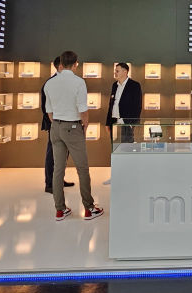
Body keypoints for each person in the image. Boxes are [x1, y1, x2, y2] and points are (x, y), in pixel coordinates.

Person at [42, 50, 103, 222]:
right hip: (73, 126)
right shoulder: (78, 82)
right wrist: (84, 126)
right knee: (82, 169)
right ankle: (89, 208)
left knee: (58, 169)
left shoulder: (50, 83)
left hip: (56, 127)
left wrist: (57, 124)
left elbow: (49, 111)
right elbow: (83, 109)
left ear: (61, 63)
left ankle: (60, 210)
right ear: (76, 64)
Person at [41, 56, 73, 194]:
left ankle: (58, 180)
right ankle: (50, 184)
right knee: (53, 154)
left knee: (62, 154)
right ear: (60, 67)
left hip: (66, 123)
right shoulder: (51, 83)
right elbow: (46, 107)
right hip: (55, 124)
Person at [106, 62, 142, 145]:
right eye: (115, 71)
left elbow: (137, 106)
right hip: (114, 122)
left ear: (125, 72)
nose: (115, 73)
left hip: (126, 122)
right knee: (114, 147)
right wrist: (108, 123)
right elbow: (111, 105)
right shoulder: (114, 85)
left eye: (117, 71)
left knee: (126, 146)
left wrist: (131, 123)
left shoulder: (134, 85)